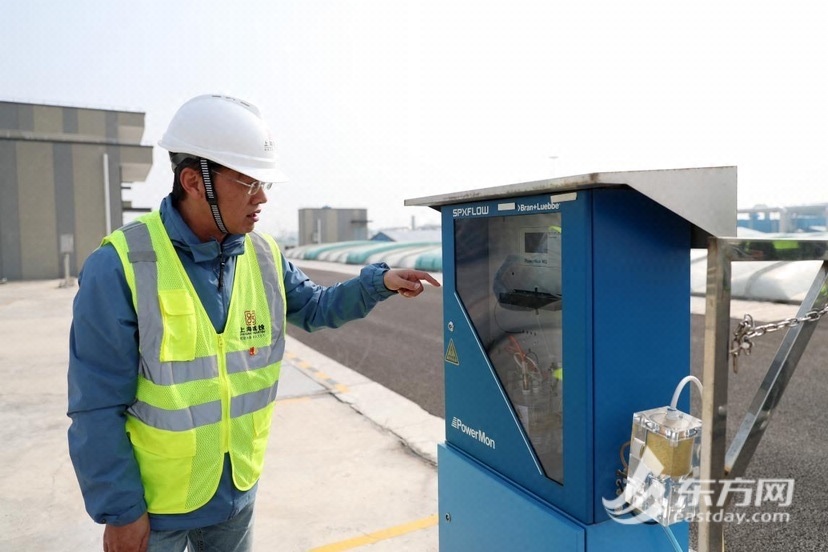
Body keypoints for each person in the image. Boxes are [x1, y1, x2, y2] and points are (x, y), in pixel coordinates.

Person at [67, 94, 440, 552]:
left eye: (264, 183)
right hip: (157, 510)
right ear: (193, 181)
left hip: (236, 493)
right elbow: (96, 405)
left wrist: (378, 281)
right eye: (247, 183)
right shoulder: (120, 265)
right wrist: (121, 511)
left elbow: (316, 307)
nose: (262, 198)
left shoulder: (263, 255)